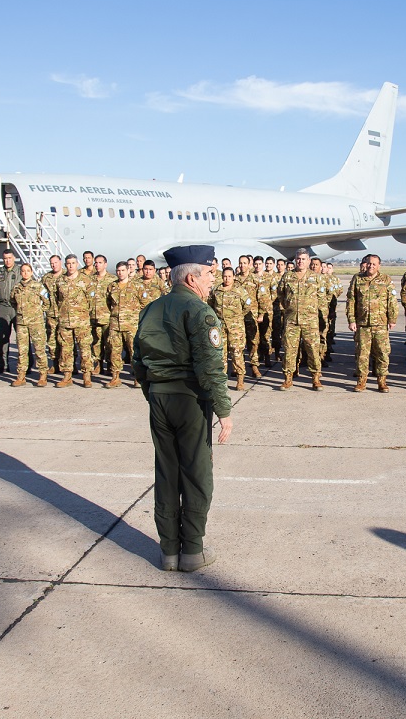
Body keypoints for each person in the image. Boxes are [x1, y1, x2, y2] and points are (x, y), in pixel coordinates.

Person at [132, 245, 232, 573]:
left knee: (167, 473)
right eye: (209, 273)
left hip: (159, 400)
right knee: (196, 473)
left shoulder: (151, 309)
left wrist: (154, 394)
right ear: (192, 277)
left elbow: (138, 361)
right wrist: (224, 411)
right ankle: (192, 550)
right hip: (190, 401)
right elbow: (210, 366)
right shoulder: (199, 310)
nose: (213, 279)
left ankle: (168, 552)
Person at [347, 254, 398, 392]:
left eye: (374, 264)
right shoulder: (358, 279)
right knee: (362, 354)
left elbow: (392, 301)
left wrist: (392, 319)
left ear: (379, 266)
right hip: (363, 324)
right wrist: (351, 320)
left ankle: (382, 381)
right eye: (369, 263)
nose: (371, 266)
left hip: (380, 324)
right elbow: (351, 301)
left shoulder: (386, 279)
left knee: (382, 353)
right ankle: (361, 380)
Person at [277, 249, 325, 391]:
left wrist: (322, 318)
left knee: (312, 350)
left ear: (309, 261)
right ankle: (288, 378)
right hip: (292, 320)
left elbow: (322, 299)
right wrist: (289, 308)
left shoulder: (316, 277)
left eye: (303, 259)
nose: (300, 261)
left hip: (310, 321)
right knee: (289, 350)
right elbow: (281, 294)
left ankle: (316, 378)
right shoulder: (287, 276)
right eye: (298, 259)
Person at [208, 266, 251, 390]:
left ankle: (240, 379)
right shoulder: (217, 290)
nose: (227, 279)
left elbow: (247, 305)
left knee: (237, 352)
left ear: (233, 277)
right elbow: (210, 304)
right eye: (225, 276)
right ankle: (222, 380)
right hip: (220, 327)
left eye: (229, 276)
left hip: (235, 328)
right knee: (221, 354)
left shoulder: (239, 290)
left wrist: (238, 317)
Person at [54, 253, 93, 387]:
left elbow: (91, 300)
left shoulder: (86, 280)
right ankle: (67, 376)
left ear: (77, 264)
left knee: (85, 349)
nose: (70, 266)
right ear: (65, 265)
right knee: (66, 349)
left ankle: (87, 376)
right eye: (68, 263)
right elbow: (56, 299)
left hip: (82, 322)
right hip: (65, 321)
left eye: (73, 263)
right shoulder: (60, 281)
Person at [11, 262, 49, 387]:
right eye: (23, 271)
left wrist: (38, 312)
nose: (25, 273)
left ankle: (43, 375)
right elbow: (13, 302)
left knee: (39, 349)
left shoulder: (38, 287)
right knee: (22, 350)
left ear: (32, 272)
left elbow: (47, 302)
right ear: (20, 273)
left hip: (36, 323)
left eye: (28, 270)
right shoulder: (16, 287)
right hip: (22, 323)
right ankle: (21, 376)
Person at [105, 261, 143, 388]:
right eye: (118, 271)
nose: (120, 273)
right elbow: (108, 303)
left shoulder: (136, 286)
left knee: (134, 351)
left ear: (128, 271)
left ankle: (137, 377)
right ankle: (115, 377)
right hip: (115, 325)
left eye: (122, 270)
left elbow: (143, 304)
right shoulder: (112, 286)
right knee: (114, 351)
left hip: (131, 325)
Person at [0, 250, 20, 374]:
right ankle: (2, 364)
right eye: (5, 258)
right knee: (3, 337)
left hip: (18, 307)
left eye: (9, 258)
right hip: (3, 307)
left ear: (14, 258)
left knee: (22, 338)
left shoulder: (21, 271)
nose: (7, 261)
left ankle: (26, 365)